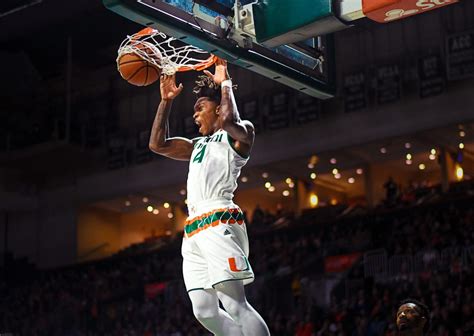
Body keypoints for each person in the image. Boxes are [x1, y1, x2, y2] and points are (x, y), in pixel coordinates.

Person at [149, 58, 270, 336]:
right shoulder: (196, 145)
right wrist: (165, 101)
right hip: (193, 228)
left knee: (235, 304)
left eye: (199, 108)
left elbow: (229, 120)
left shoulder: (241, 133)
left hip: (219, 218)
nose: (194, 115)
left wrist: (224, 83)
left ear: (217, 107)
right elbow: (156, 144)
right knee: (203, 310)